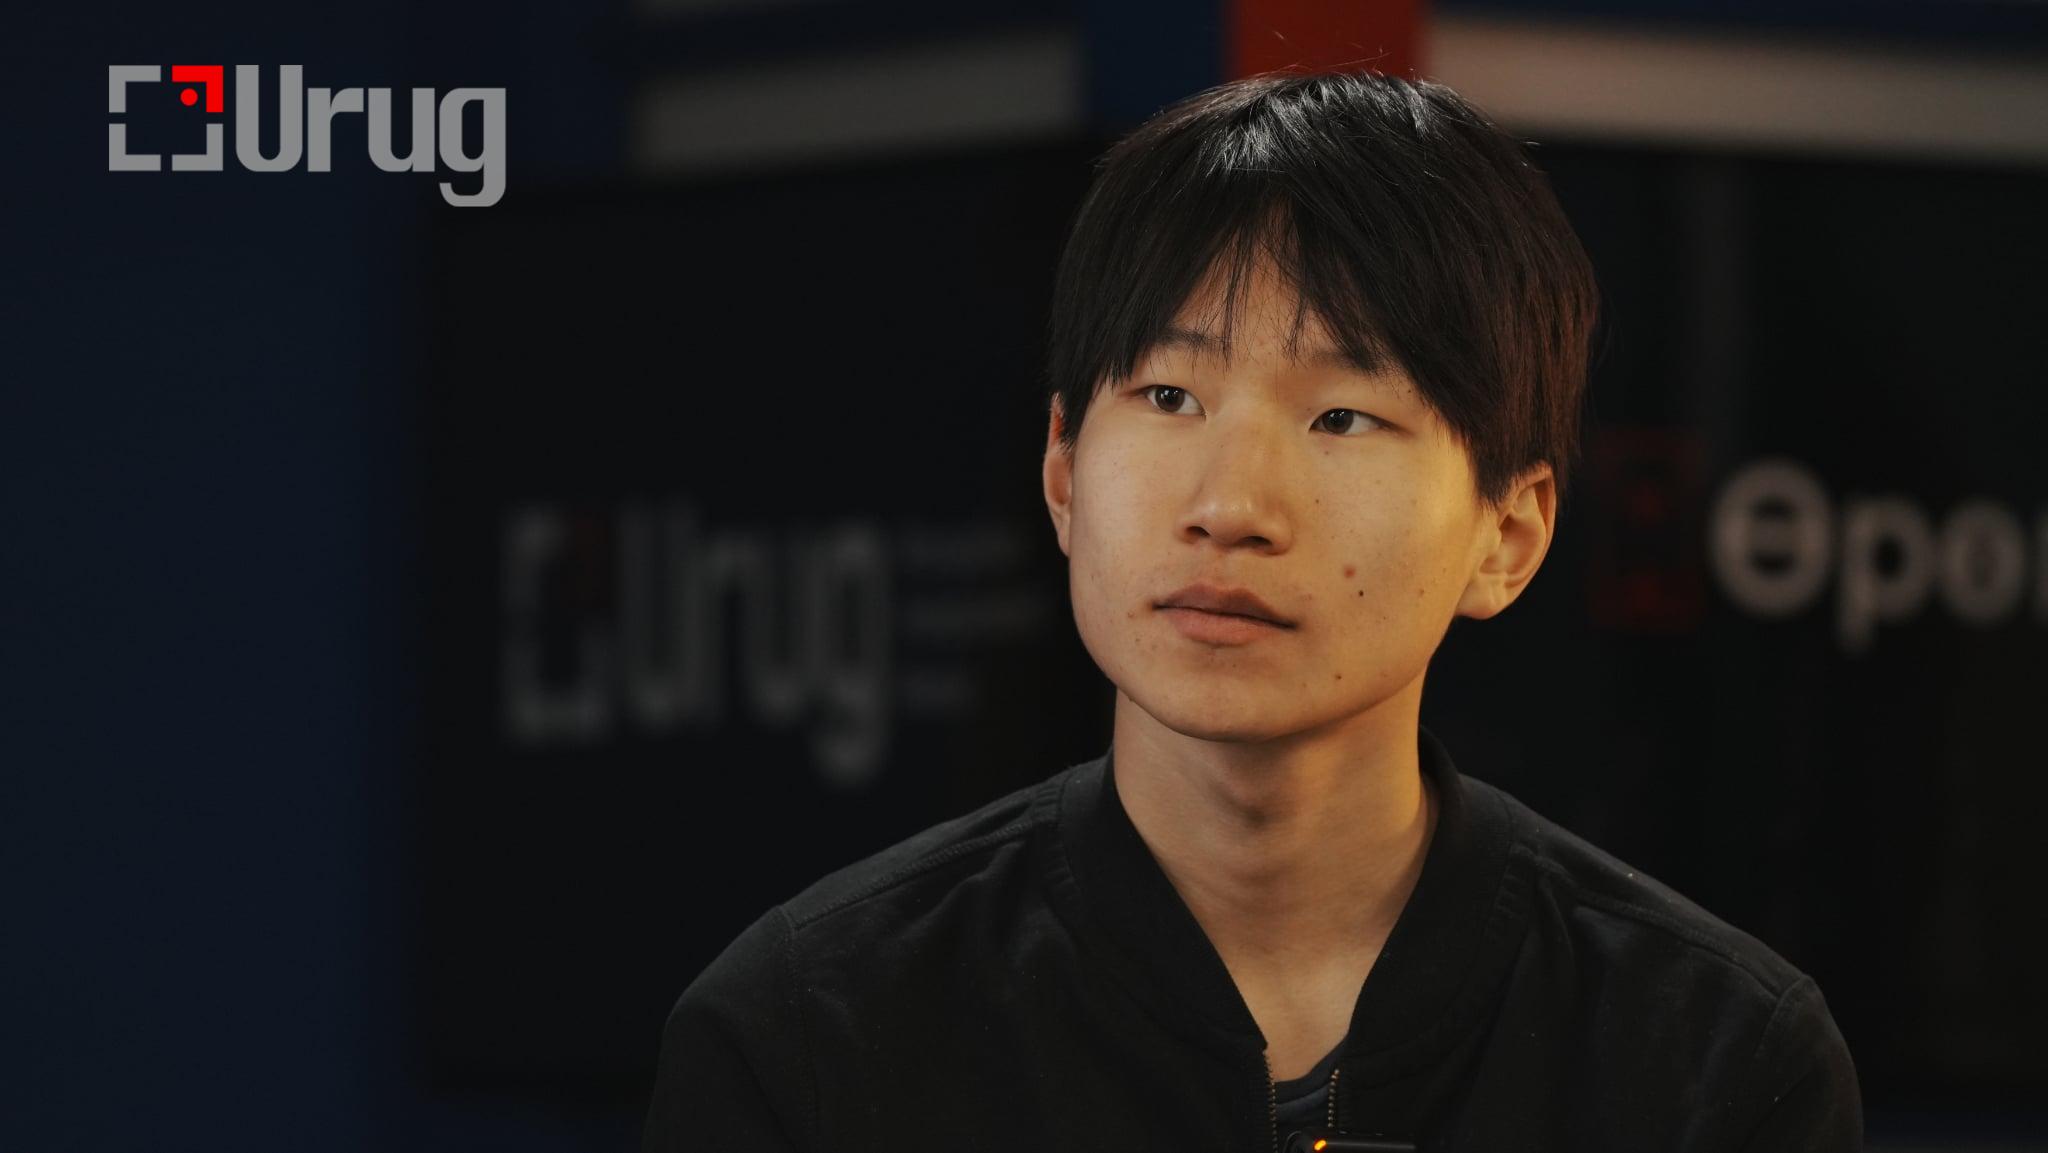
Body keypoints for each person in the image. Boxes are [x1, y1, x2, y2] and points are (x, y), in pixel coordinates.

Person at [639, 69, 1861, 1152]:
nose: (1229, 506)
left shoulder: (1712, 1061)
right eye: (1167, 395)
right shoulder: (808, 1034)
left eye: (1341, 417)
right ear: (1062, 472)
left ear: (1507, 534)